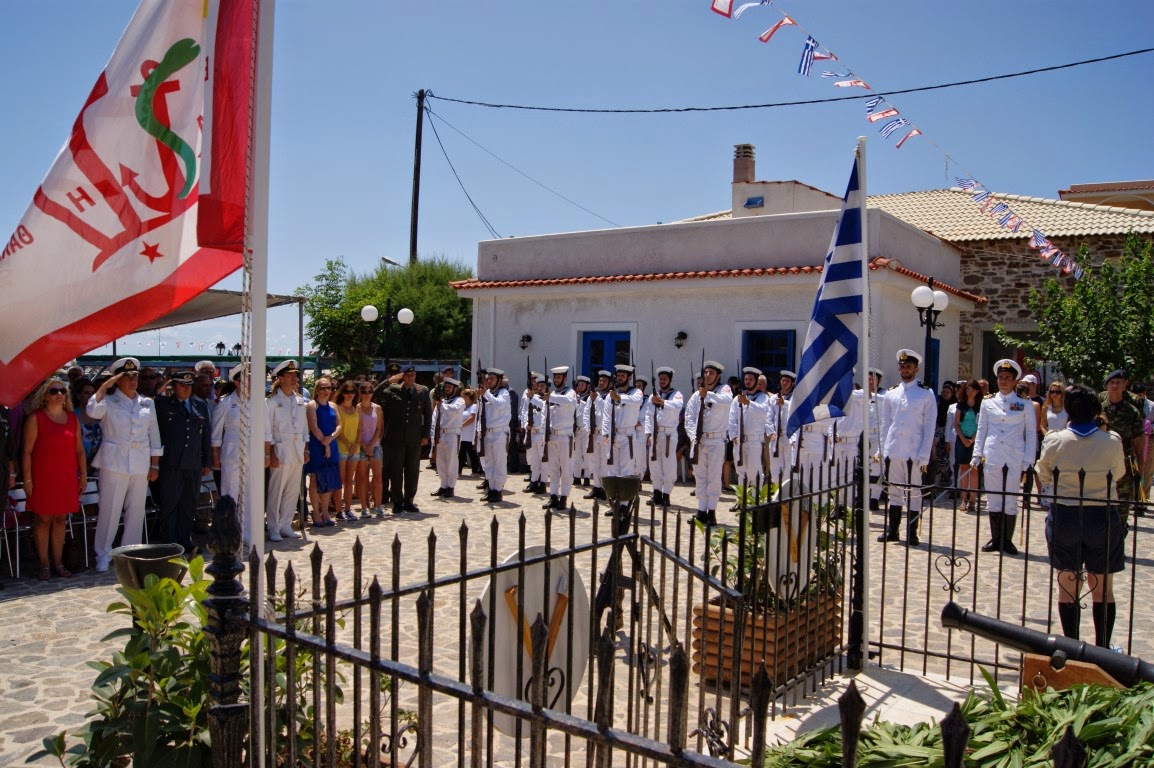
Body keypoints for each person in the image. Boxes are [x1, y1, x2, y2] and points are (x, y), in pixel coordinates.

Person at [1036, 384, 1128, 647]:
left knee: (1067, 584)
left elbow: (1043, 473)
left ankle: (1072, 646)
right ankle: (1102, 647)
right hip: (1102, 516)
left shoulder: (1055, 440)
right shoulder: (1111, 441)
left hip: (1066, 514)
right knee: (1102, 587)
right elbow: (1119, 472)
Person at [86, 357, 163, 572]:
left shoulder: (147, 403)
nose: (132, 380)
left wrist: (154, 465)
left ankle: (131, 551)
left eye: (135, 376)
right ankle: (103, 554)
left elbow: (154, 436)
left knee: (136, 511)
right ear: (117, 379)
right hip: (114, 463)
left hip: (140, 463)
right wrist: (103, 386)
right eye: (126, 376)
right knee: (110, 511)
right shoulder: (108, 402)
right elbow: (92, 411)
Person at [22, 378, 86, 580]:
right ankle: (44, 565)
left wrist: (82, 475)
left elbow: (79, 451)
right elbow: (27, 452)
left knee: (60, 519)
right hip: (42, 477)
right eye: (54, 391)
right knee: (42, 520)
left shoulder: (72, 418)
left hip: (66, 476)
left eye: (62, 390)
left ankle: (58, 563)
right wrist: (28, 479)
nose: (59, 394)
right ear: (45, 396)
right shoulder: (36, 418)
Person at [971, 359, 1037, 555]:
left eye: (1007, 378)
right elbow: (982, 429)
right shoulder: (988, 401)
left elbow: (1031, 432)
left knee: (1010, 499)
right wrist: (977, 453)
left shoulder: (1023, 403)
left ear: (1015, 381)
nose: (1003, 381)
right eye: (1000, 378)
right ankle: (995, 538)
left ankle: (1007, 540)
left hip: (1014, 456)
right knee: (993, 498)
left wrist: (1028, 459)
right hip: (992, 455)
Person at [877, 350, 936, 546]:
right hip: (893, 449)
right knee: (894, 491)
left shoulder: (926, 393)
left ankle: (912, 532)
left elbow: (929, 427)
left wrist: (925, 455)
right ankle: (893, 530)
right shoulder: (891, 393)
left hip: (914, 451)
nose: (904, 370)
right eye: (902, 367)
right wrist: (882, 449)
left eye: (908, 367)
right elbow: (886, 424)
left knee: (913, 492)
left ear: (916, 369)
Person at [154, 370, 213, 553]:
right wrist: (165, 383)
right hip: (172, 463)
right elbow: (150, 400)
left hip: (193, 462)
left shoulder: (199, 405)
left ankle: (185, 538)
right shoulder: (164, 404)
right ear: (174, 386)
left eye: (189, 385)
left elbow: (205, 436)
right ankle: (170, 541)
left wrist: (206, 461)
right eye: (181, 385)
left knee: (189, 503)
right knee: (170, 503)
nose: (186, 389)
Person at [210, 363, 272, 507]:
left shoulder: (260, 403)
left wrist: (267, 454)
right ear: (237, 382)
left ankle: (249, 529)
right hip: (232, 454)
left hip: (254, 454)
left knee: (252, 496)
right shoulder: (225, 403)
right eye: (248, 379)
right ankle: (229, 528)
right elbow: (216, 433)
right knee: (229, 494)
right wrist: (215, 455)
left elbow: (267, 431)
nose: (252, 382)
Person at [684, 361, 733, 527]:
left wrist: (708, 395)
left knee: (713, 476)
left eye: (711, 373)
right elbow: (689, 417)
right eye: (706, 372)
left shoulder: (723, 390)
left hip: (716, 440)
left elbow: (727, 400)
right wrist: (693, 436)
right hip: (699, 440)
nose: (707, 376)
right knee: (700, 476)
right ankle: (701, 511)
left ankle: (712, 511)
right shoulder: (696, 395)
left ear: (718, 376)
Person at [266, 360, 309, 541]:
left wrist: (306, 449)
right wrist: (270, 453)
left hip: (297, 451)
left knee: (292, 490)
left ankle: (286, 525)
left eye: (295, 375)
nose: (294, 379)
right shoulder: (272, 402)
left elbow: (304, 428)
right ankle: (274, 527)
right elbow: (268, 430)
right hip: (281, 451)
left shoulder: (300, 401)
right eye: (290, 375)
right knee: (276, 492)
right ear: (280, 378)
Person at [379, 365, 431, 513]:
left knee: (412, 471)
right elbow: (376, 394)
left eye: (413, 375)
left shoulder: (422, 391)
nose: (410, 378)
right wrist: (389, 381)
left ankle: (409, 501)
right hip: (396, 438)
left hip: (414, 438)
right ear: (403, 376)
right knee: (396, 471)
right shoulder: (393, 390)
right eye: (407, 375)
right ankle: (397, 501)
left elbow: (428, 414)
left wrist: (426, 435)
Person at [1099, 369, 1144, 515]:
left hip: (1124, 468)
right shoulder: (1098, 409)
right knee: (1099, 512)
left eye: (1118, 383)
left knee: (1122, 513)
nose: (1115, 386)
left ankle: (1119, 537)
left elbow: (1138, 442)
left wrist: (1140, 469)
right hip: (1100, 466)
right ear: (1106, 385)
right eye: (1111, 383)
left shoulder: (1132, 412)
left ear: (1124, 385)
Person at [601, 364, 644, 515]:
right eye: (618, 375)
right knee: (613, 470)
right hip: (613, 435)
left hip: (628, 436)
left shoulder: (636, 392)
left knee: (626, 471)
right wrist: (605, 434)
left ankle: (625, 505)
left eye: (623, 376)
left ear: (629, 377)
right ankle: (615, 503)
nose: (620, 378)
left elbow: (636, 401)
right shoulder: (610, 395)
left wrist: (619, 397)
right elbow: (606, 417)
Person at [304, 375, 341, 528]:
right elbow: (313, 426)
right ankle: (316, 513)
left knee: (329, 478)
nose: (327, 391)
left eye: (329, 388)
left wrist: (330, 439)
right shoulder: (312, 405)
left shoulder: (333, 406)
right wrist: (324, 442)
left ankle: (325, 512)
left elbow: (339, 425)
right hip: (316, 444)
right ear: (317, 389)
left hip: (331, 443)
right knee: (315, 478)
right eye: (323, 388)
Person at [541, 367, 578, 511]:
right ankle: (553, 496)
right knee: (553, 469)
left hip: (565, 436)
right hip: (553, 435)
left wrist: (550, 397)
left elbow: (568, 401)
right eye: (555, 378)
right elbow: (546, 415)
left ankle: (564, 497)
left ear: (565, 379)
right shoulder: (552, 394)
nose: (556, 380)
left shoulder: (570, 393)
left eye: (559, 378)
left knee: (566, 469)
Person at [728, 366, 769, 499]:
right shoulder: (737, 399)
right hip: (739, 440)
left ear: (757, 381)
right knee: (741, 472)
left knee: (755, 471)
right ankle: (741, 499)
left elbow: (764, 412)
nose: (748, 381)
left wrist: (748, 403)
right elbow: (732, 418)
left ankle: (756, 499)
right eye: (746, 379)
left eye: (750, 379)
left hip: (754, 440)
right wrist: (733, 435)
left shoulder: (763, 397)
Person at [645, 366, 683, 509]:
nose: (662, 381)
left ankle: (666, 494)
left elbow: (678, 405)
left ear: (670, 380)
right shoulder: (652, 396)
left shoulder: (676, 394)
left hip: (669, 434)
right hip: (655, 434)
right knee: (654, 464)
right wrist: (648, 433)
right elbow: (648, 415)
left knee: (668, 465)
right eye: (660, 379)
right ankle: (656, 493)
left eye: (664, 379)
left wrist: (662, 402)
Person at [477, 368, 511, 503]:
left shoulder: (504, 393)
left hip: (499, 432)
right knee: (489, 463)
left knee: (499, 463)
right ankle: (491, 489)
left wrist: (486, 394)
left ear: (499, 380)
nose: (489, 381)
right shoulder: (487, 394)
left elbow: (499, 404)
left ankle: (498, 490)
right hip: (488, 432)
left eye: (492, 379)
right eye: (488, 379)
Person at [430, 377, 466, 498]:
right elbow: (434, 418)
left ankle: (451, 486)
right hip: (440, 433)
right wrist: (433, 434)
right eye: (446, 387)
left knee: (451, 461)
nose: (447, 389)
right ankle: (443, 485)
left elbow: (453, 410)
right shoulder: (442, 401)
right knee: (441, 462)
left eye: (449, 387)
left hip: (452, 433)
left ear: (455, 389)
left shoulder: (459, 400)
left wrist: (441, 406)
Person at [355, 380, 385, 517]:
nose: (367, 394)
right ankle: (363, 507)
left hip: (375, 445)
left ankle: (378, 505)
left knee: (378, 477)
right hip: (361, 446)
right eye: (364, 392)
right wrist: (364, 445)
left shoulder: (377, 408)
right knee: (362, 478)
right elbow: (356, 430)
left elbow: (379, 428)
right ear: (360, 393)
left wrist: (372, 444)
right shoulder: (357, 408)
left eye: (369, 392)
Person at [582, 371, 613, 503]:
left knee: (604, 463)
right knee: (594, 462)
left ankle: (605, 489)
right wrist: (587, 428)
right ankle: (596, 487)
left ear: (609, 383)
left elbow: (607, 410)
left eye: (604, 381)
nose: (601, 383)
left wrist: (597, 399)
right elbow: (585, 413)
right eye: (600, 381)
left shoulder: (610, 397)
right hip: (593, 434)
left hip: (604, 434)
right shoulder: (592, 397)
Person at [953, 380, 982, 512]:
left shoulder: (981, 405)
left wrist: (974, 438)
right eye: (967, 389)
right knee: (964, 468)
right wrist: (964, 439)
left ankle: (972, 501)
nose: (969, 391)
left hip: (976, 440)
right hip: (962, 439)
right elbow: (956, 424)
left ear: (977, 391)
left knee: (974, 470)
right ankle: (963, 499)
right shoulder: (961, 405)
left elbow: (982, 424)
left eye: (972, 389)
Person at [334, 380, 361, 520]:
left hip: (354, 449)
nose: (349, 394)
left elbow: (359, 428)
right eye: (346, 391)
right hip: (341, 448)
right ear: (342, 393)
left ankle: (348, 508)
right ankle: (339, 510)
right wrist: (348, 443)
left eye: (352, 392)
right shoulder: (337, 407)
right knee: (340, 479)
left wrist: (356, 443)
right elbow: (337, 428)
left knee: (349, 480)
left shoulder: (357, 408)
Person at [71, 376, 102, 466]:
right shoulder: (72, 415)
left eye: (93, 393)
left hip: (97, 463)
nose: (90, 396)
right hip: (76, 462)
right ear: (78, 396)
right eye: (86, 393)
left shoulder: (101, 414)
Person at [571, 375, 594, 488]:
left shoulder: (590, 398)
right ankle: (576, 476)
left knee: (587, 455)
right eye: (579, 385)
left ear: (587, 386)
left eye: (583, 385)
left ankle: (586, 477)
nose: (580, 387)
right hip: (576, 430)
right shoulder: (574, 397)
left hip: (586, 430)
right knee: (576, 455)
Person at [458, 388, 482, 476]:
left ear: (468, 397)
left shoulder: (474, 406)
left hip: (470, 434)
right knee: (460, 453)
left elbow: (471, 418)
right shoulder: (463, 407)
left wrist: (461, 425)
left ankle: (475, 471)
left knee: (472, 453)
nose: (462, 398)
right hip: (462, 434)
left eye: (464, 396)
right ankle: (458, 470)